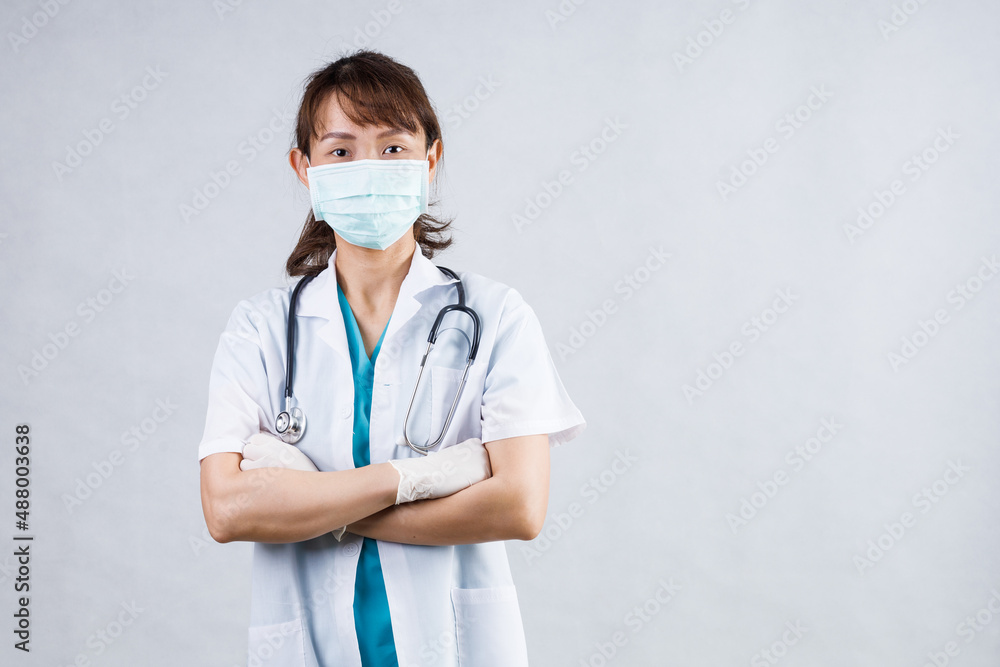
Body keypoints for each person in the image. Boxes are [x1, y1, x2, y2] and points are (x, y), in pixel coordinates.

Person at [197, 50, 586, 667]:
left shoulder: (495, 316)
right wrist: (418, 480)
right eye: (341, 151)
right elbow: (226, 510)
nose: (368, 168)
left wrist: (312, 500)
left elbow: (518, 505)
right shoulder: (260, 329)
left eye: (393, 147)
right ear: (304, 168)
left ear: (430, 159)